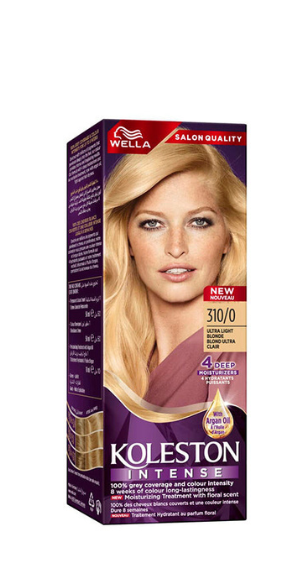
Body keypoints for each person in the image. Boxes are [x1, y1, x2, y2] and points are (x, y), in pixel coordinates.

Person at [103, 139, 246, 418]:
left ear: (227, 237)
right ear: (127, 240)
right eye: (152, 223)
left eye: (199, 222)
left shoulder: (237, 352)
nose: (176, 247)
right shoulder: (119, 356)